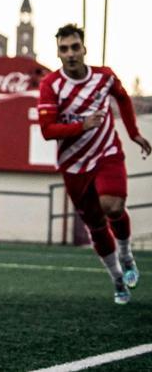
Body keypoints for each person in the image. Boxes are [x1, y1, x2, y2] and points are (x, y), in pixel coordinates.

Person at [38, 23, 151, 304]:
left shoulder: (104, 77)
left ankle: (126, 255)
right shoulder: (50, 85)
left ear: (84, 48)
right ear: (58, 53)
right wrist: (82, 125)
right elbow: (47, 130)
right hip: (73, 165)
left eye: (75, 47)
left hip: (106, 153)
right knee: (96, 226)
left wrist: (134, 132)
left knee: (112, 206)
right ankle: (116, 279)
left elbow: (124, 100)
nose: (71, 53)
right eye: (64, 49)